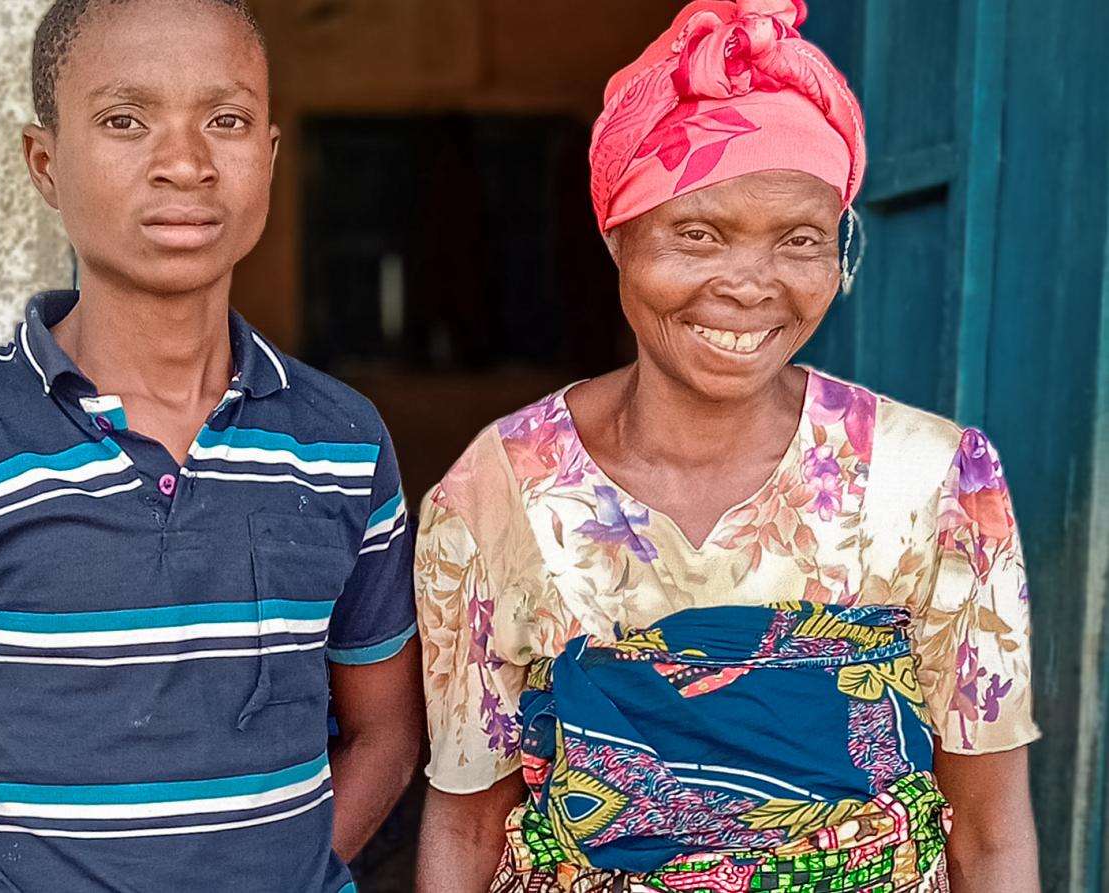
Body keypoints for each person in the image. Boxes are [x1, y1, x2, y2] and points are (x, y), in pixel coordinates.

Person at [413, 2, 1039, 890]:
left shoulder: (936, 482)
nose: (750, 286)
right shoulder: (496, 494)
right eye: (698, 233)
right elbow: (470, 820)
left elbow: (988, 827)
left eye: (800, 241)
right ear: (617, 235)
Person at [0, 1, 421, 889]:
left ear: (268, 155)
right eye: (124, 121)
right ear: (45, 164)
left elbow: (387, 733)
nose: (185, 164)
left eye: (226, 120)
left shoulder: (341, 441)